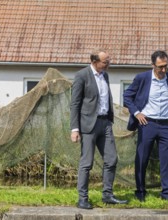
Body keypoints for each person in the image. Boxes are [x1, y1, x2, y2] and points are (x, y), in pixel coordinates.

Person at [70, 49, 128, 209]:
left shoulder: (105, 75)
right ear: (95, 61)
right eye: (105, 61)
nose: (108, 64)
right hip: (88, 125)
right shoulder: (82, 75)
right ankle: (82, 198)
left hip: (105, 123)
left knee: (111, 159)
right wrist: (74, 129)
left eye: (108, 61)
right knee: (86, 163)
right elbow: (75, 104)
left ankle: (107, 195)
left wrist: (109, 119)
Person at [123, 50, 168, 202]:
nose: (163, 70)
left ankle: (167, 194)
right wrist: (137, 113)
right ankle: (140, 192)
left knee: (166, 160)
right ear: (153, 65)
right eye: (160, 67)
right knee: (142, 159)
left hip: (165, 125)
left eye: (166, 66)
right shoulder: (142, 78)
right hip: (146, 123)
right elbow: (127, 96)